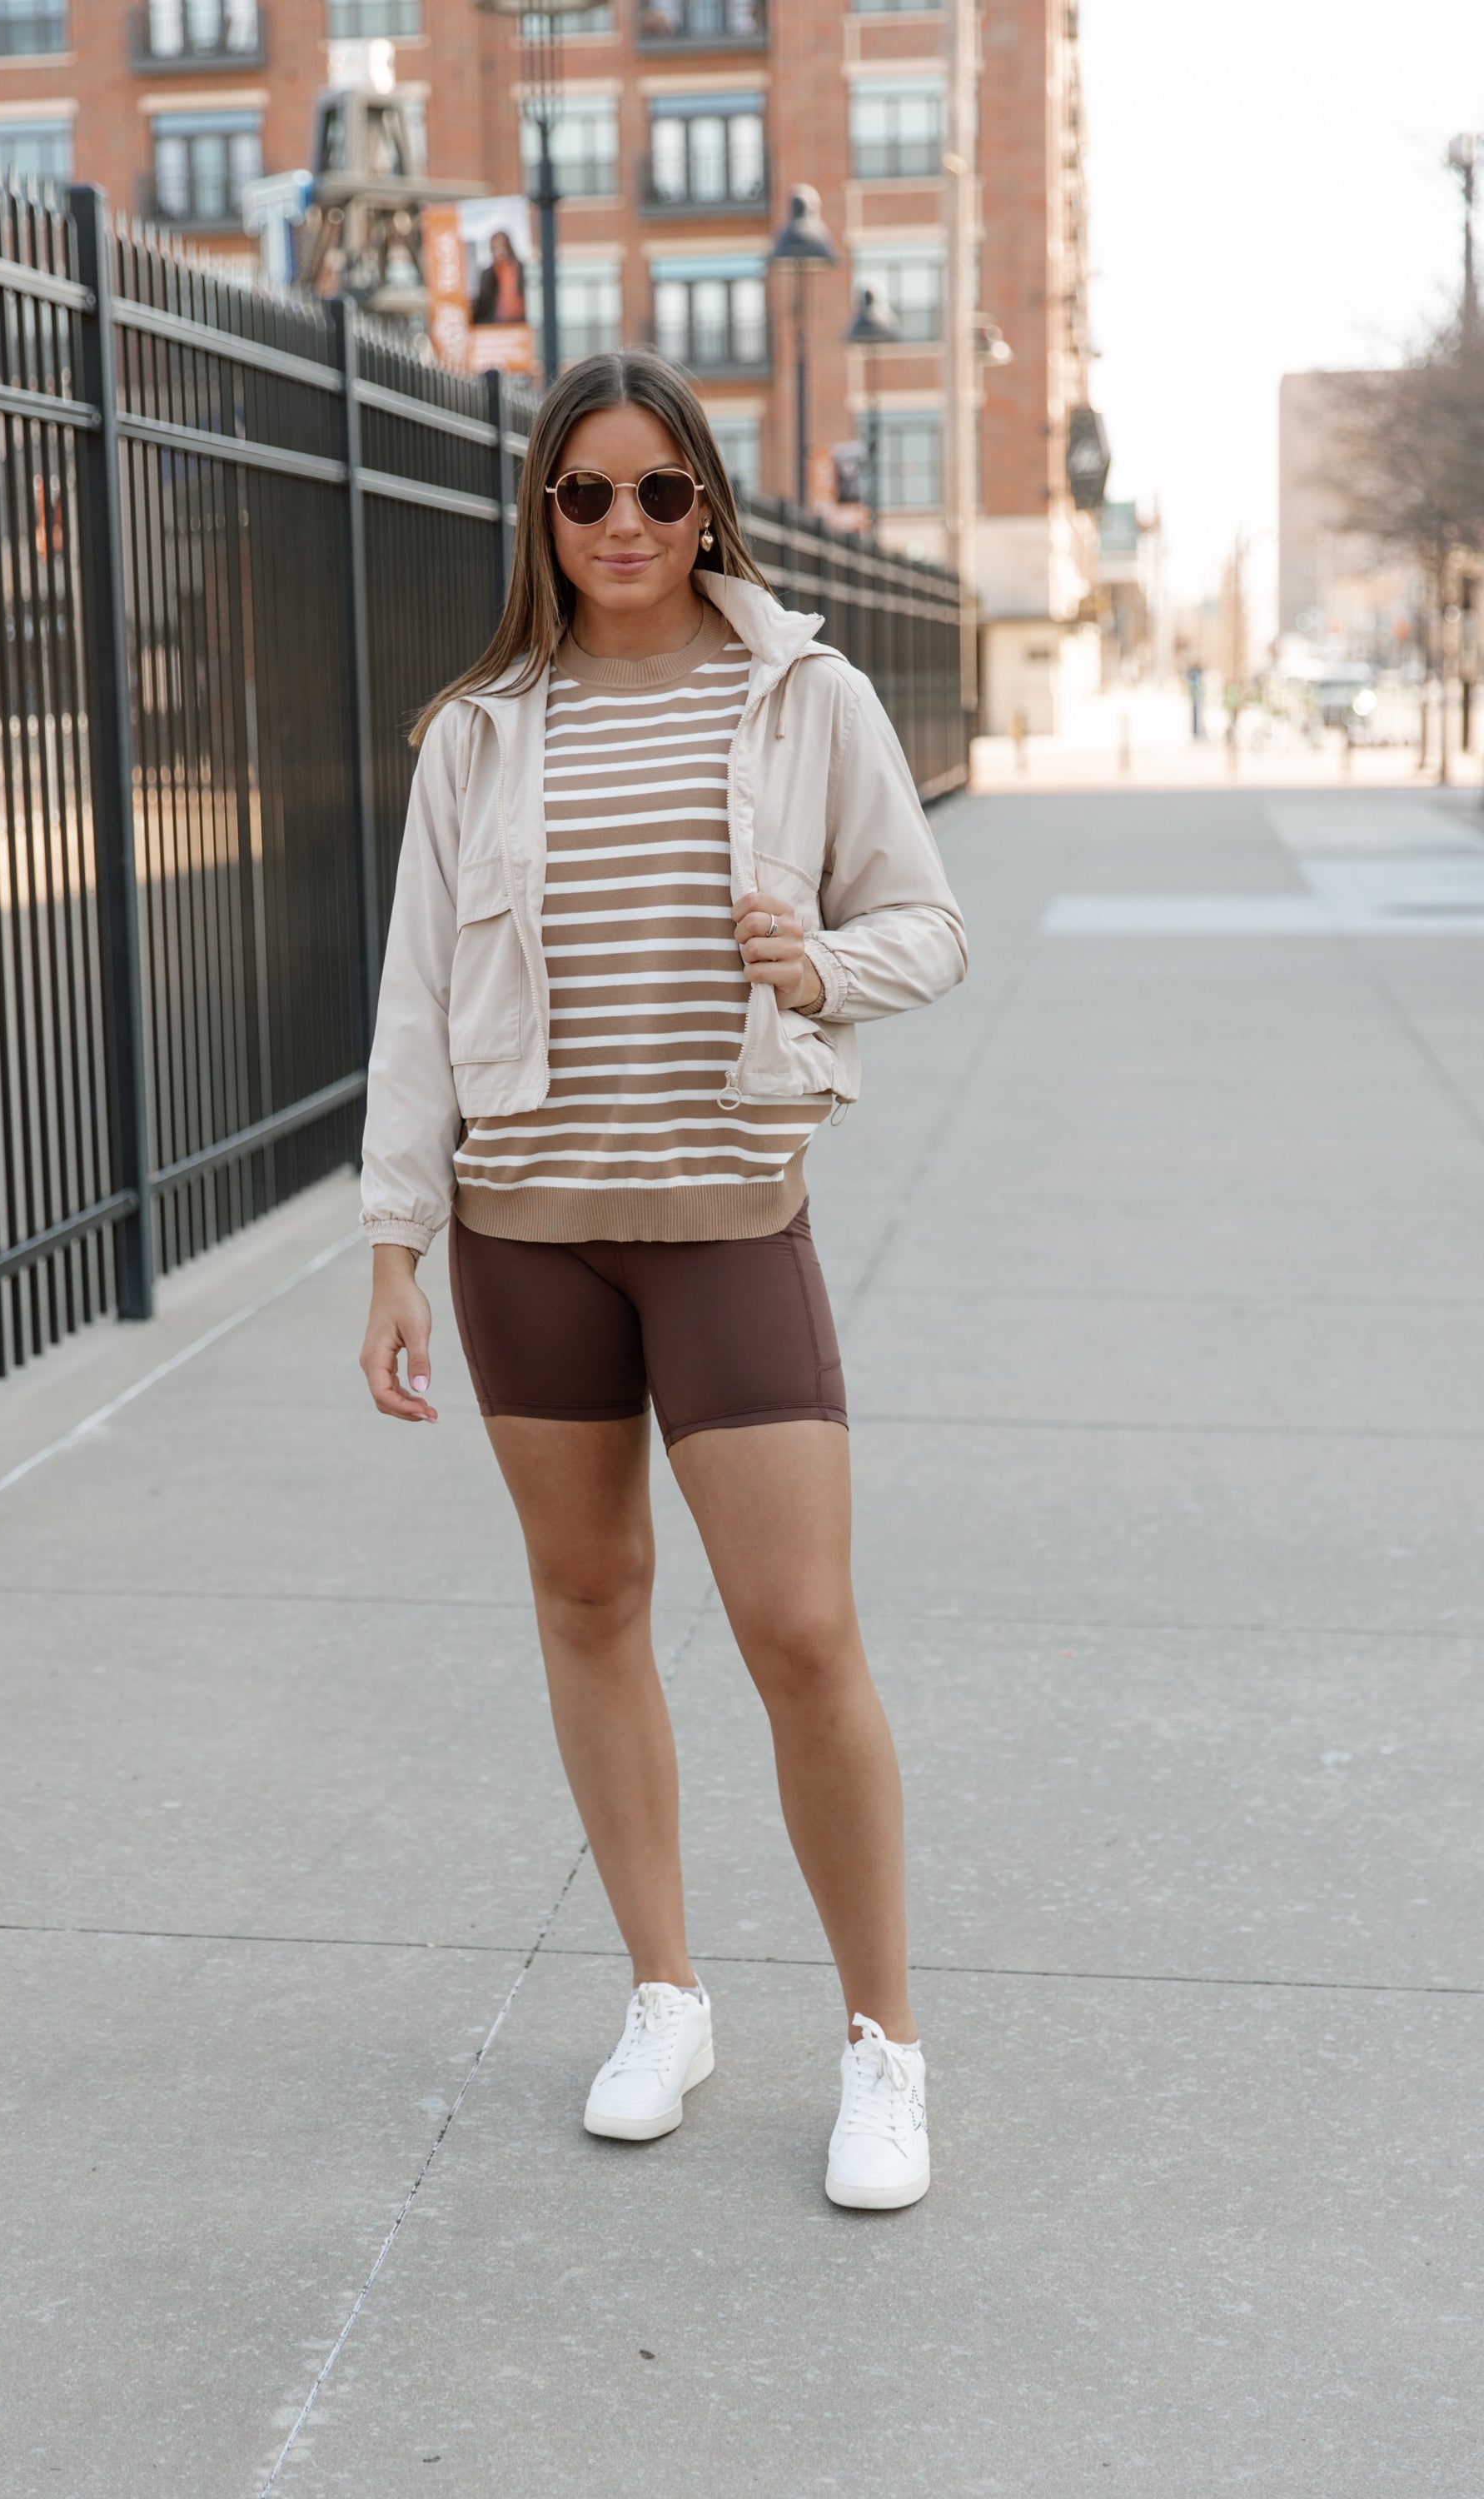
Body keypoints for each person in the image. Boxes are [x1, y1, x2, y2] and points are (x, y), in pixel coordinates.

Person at [357, 349, 966, 2211]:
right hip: (524, 1232)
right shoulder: (480, 733)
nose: (623, 523)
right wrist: (394, 1245)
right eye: (584, 493)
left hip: (726, 1220)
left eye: (659, 490)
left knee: (800, 1630)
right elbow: (412, 1007)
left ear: (708, 503)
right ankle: (664, 1996)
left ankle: (881, 2046)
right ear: (542, 515)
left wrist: (818, 968)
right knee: (589, 1600)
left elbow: (927, 925)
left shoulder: (803, 692)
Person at [472, 227, 525, 327]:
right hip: (496, 326)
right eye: (496, 246)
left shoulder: (522, 269)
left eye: (502, 245)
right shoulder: (488, 274)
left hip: (521, 324)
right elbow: (483, 304)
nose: (499, 250)